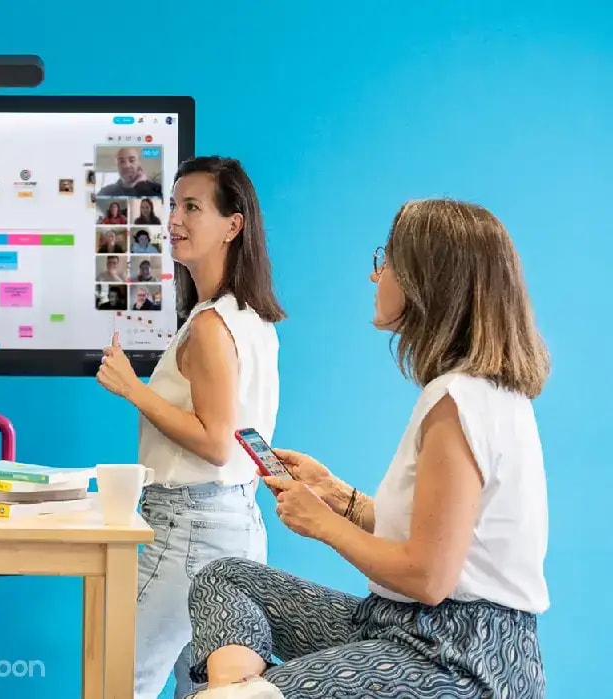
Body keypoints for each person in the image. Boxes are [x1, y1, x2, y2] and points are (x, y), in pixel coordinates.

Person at [184, 199, 550, 699]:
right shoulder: (487, 392)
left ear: (428, 279)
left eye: (389, 261)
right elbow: (439, 539)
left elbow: (428, 577)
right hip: (398, 625)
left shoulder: (459, 402)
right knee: (226, 578)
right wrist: (339, 497)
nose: (377, 276)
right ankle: (238, 691)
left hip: (456, 658)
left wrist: (323, 523)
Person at [96, 156, 286, 699]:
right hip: (238, 527)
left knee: (116, 679)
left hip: (189, 531)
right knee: (206, 691)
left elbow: (217, 441)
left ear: (234, 224)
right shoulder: (253, 319)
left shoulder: (209, 326)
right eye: (173, 205)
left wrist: (134, 389)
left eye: (193, 207)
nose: (175, 219)